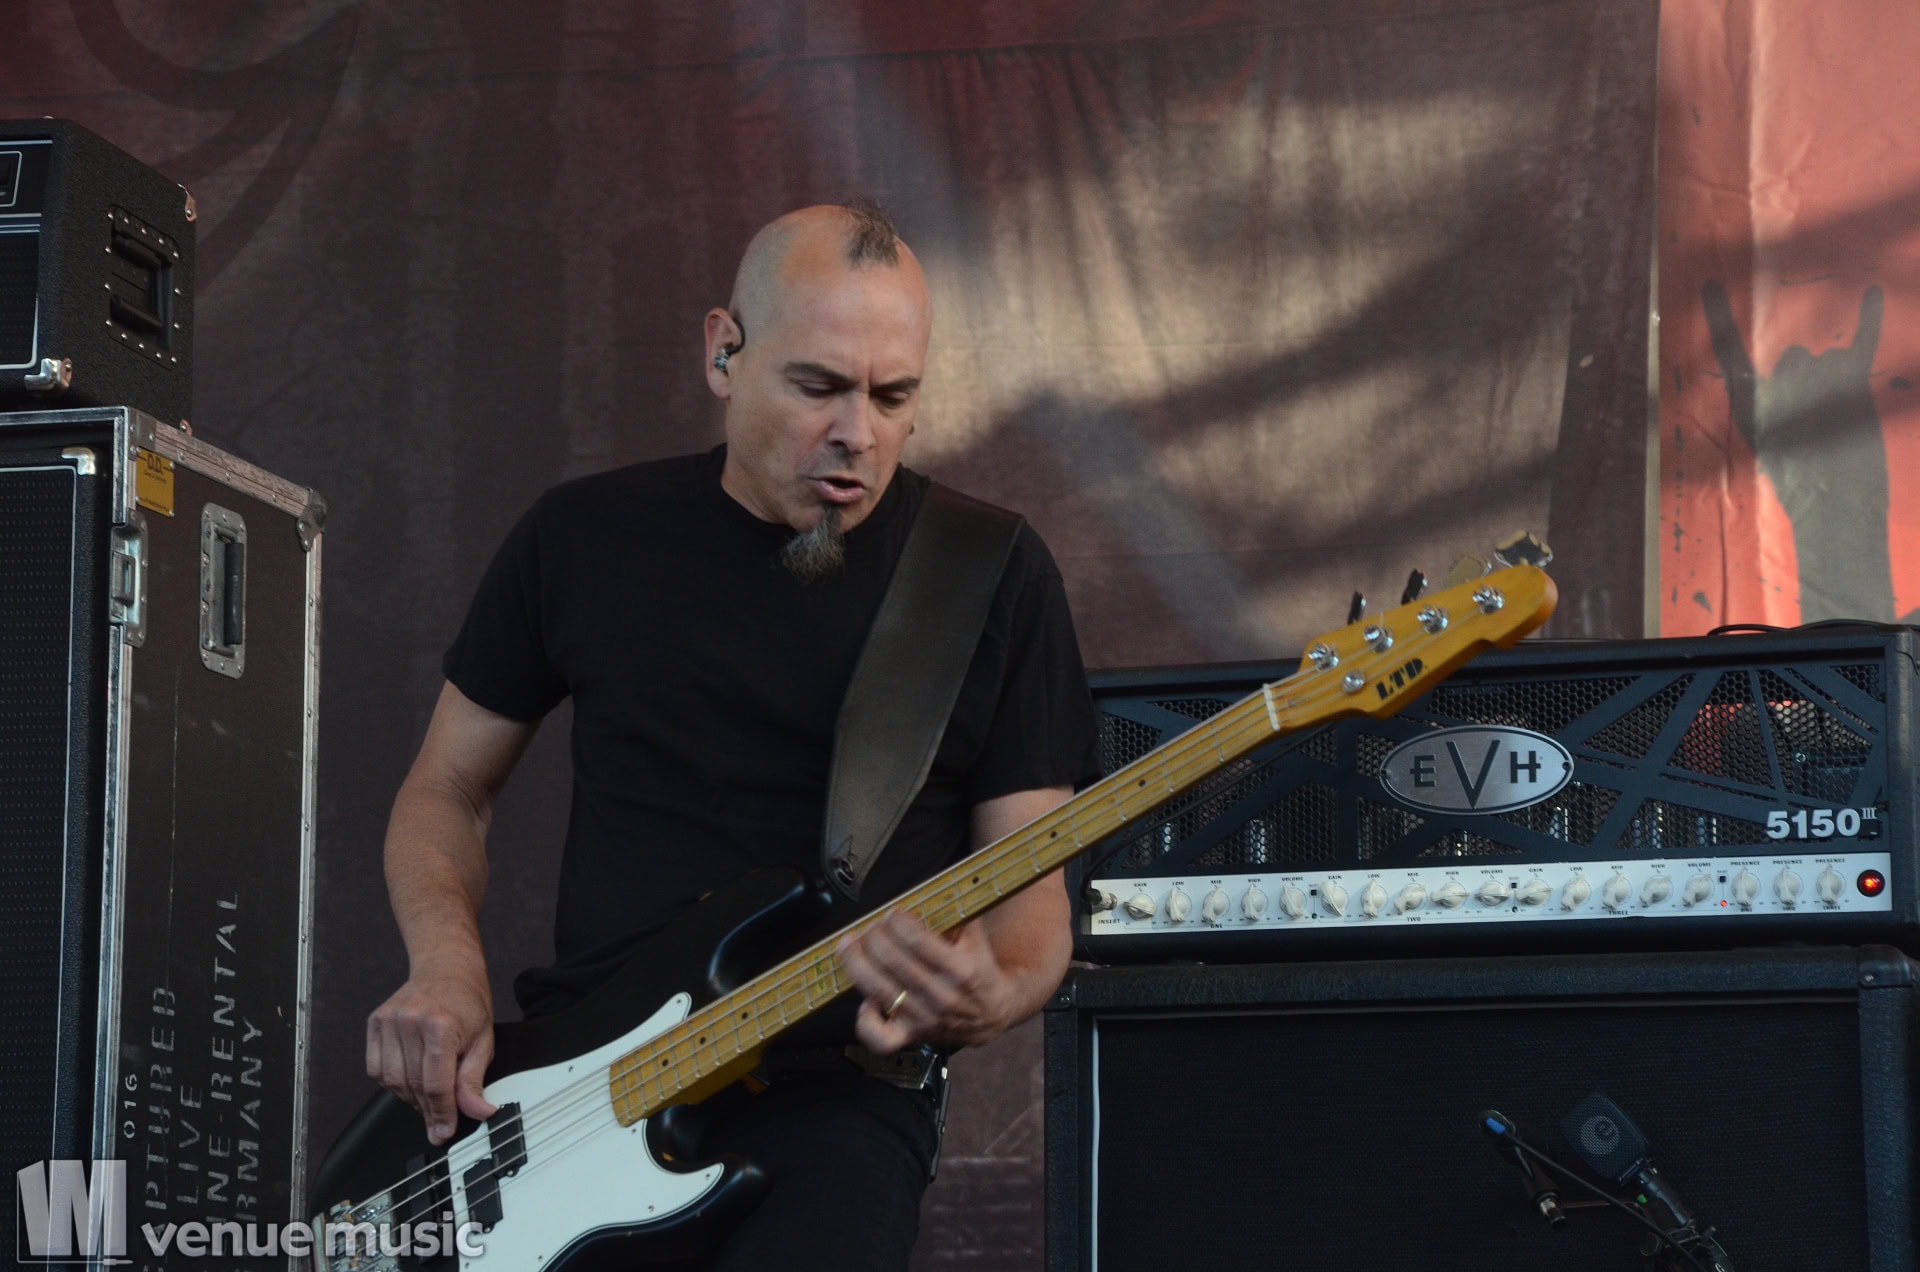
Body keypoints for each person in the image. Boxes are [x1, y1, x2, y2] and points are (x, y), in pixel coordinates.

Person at [364, 199, 1101, 1270]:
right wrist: (446, 969)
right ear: (723, 353)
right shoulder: (581, 537)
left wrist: (996, 988)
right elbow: (447, 787)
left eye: (893, 396)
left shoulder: (989, 576)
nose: (858, 433)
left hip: (833, 1104)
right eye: (818, 386)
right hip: (568, 1093)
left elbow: (1033, 903)